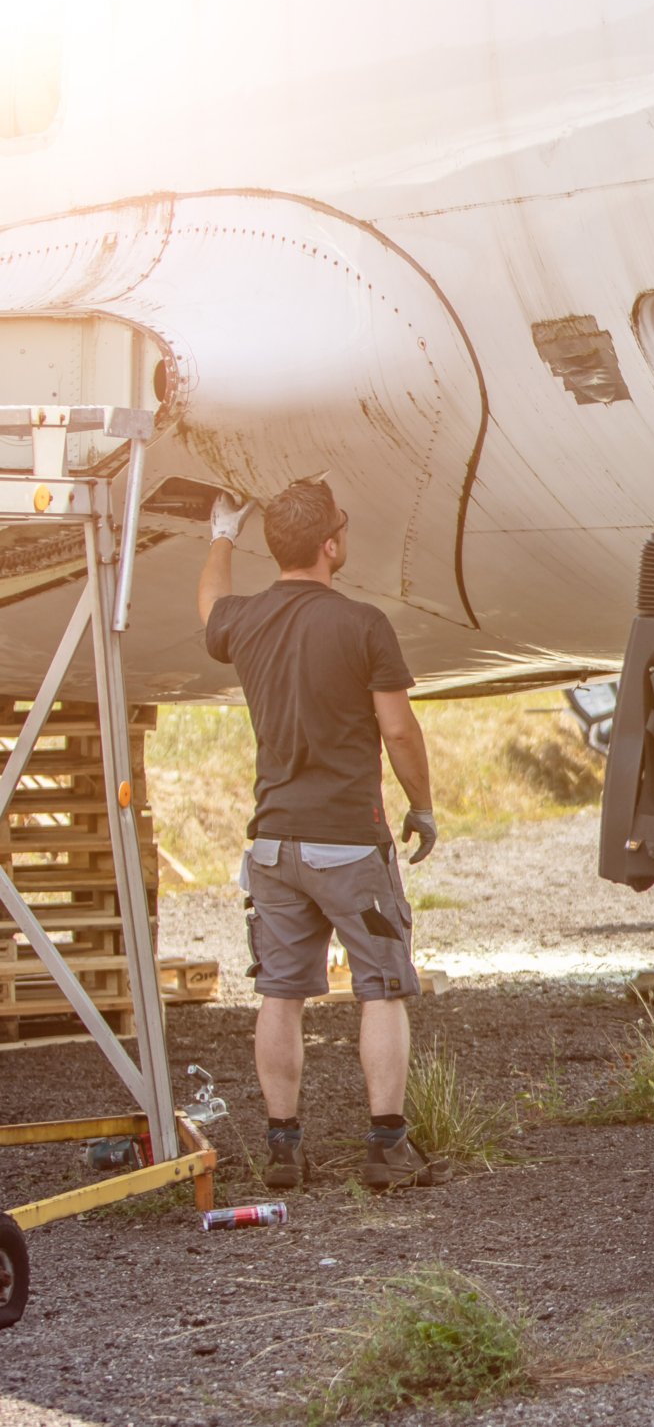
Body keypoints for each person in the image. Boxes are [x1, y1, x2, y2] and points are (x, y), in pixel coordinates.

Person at [195, 479, 449, 1193]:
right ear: (331, 546)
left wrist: (221, 532)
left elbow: (210, 607)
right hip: (348, 843)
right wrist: (422, 806)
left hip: (273, 846)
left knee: (281, 992)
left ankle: (283, 1148)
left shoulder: (244, 621)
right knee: (381, 988)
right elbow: (398, 728)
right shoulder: (363, 624)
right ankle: (386, 1146)